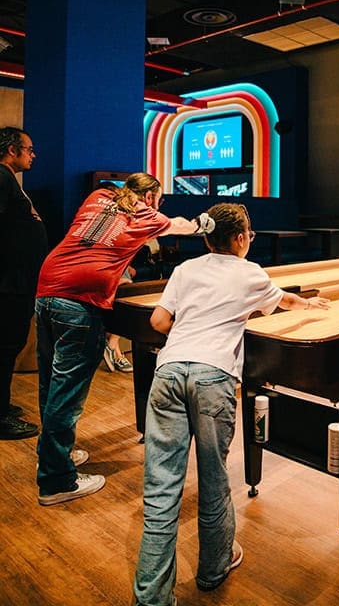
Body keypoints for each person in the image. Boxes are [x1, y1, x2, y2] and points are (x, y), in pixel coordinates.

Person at [133, 202, 330, 606]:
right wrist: (310, 305)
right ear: (241, 238)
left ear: (206, 238)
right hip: (213, 376)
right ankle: (214, 567)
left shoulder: (186, 270)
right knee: (212, 476)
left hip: (168, 372)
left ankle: (151, 597)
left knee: (161, 488)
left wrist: (190, 325)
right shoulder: (249, 273)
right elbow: (287, 302)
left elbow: (158, 322)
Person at [35, 172, 215, 506]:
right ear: (151, 197)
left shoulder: (98, 198)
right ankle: (56, 481)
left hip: (47, 290)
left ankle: (51, 457)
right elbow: (181, 226)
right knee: (67, 393)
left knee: (51, 382)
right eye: (158, 199)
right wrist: (203, 224)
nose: (158, 206)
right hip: (79, 301)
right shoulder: (147, 213)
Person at [0, 126, 48, 440]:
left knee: (8, 347)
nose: (33, 155)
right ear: (13, 150)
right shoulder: (1, 178)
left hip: (15, 281)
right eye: (29, 149)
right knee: (4, 348)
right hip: (8, 284)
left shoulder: (8, 180)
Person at [103, 264, 136, 372]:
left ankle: (113, 349)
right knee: (127, 300)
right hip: (101, 271)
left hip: (118, 265)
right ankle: (115, 353)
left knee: (124, 303)